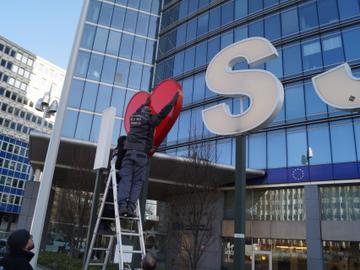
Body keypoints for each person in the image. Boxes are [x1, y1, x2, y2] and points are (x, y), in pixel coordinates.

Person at [118, 93, 179, 216]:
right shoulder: (150, 120)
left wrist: (144, 104)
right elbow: (162, 114)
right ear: (149, 113)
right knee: (137, 182)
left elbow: (138, 110)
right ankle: (130, 208)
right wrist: (172, 102)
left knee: (126, 179)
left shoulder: (133, 118)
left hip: (129, 154)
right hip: (141, 155)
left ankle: (122, 206)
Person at [99, 135, 127, 235]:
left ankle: (105, 225)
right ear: (123, 142)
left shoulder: (115, 149)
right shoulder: (122, 150)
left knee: (110, 202)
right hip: (115, 178)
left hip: (112, 178)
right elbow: (119, 163)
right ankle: (103, 225)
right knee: (111, 203)